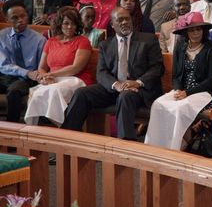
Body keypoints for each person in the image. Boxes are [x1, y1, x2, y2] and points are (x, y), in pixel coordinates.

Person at [61, 7, 165, 141]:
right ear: (112, 24)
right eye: (119, 20)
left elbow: (157, 68)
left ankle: (125, 145)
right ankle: (67, 138)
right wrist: (115, 85)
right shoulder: (106, 44)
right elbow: (101, 72)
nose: (124, 22)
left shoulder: (148, 40)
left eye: (127, 18)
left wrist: (138, 82)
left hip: (140, 90)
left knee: (125, 96)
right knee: (82, 93)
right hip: (115, 88)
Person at [145, 12, 212, 149]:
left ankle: (177, 145)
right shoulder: (180, 47)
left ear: (203, 31)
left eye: (198, 29)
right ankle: (156, 145)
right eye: (192, 30)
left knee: (179, 108)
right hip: (182, 91)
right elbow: (176, 75)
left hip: (204, 93)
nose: (196, 33)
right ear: (186, 32)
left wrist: (188, 92)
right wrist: (178, 89)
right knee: (158, 104)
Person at [24, 6, 93, 126]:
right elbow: (41, 67)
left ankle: (59, 126)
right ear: (60, 24)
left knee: (54, 90)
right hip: (53, 79)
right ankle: (34, 130)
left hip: (76, 79)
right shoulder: (51, 42)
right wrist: (44, 77)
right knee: (36, 93)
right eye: (66, 23)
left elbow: (75, 68)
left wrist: (51, 75)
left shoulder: (83, 41)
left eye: (73, 24)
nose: (70, 27)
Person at [0, 0, 46, 122]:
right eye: (14, 18)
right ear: (6, 20)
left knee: (14, 91)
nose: (20, 20)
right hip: (6, 75)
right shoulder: (1, 36)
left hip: (27, 79)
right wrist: (25, 72)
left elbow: (42, 66)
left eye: (23, 16)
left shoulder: (39, 40)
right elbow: (3, 65)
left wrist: (32, 74)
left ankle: (12, 129)